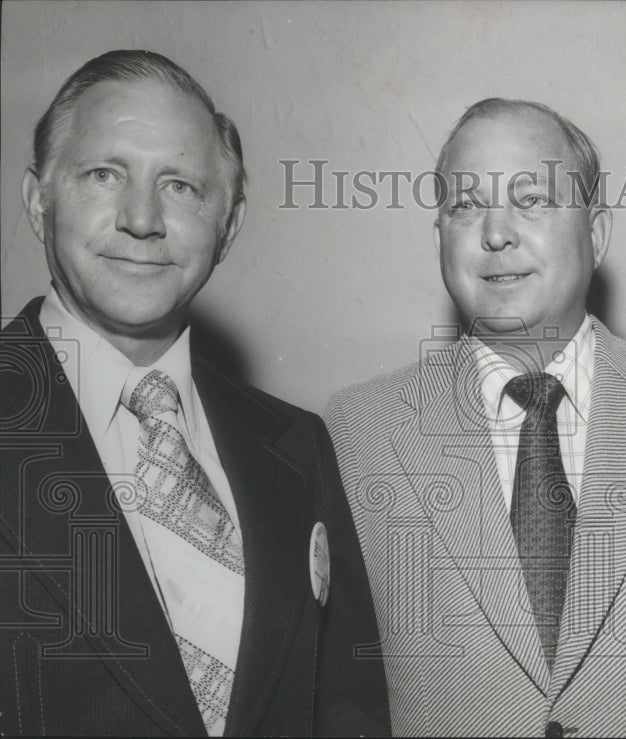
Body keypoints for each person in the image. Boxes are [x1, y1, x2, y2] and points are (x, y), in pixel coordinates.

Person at [326, 98, 626, 737]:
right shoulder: (357, 431)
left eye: (531, 199)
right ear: (439, 238)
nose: (496, 232)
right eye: (465, 205)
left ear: (596, 233)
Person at [0, 50, 388, 736]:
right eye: (103, 174)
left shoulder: (297, 446)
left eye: (180, 186)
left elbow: (346, 708)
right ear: (38, 200)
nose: (143, 218)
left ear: (228, 227)